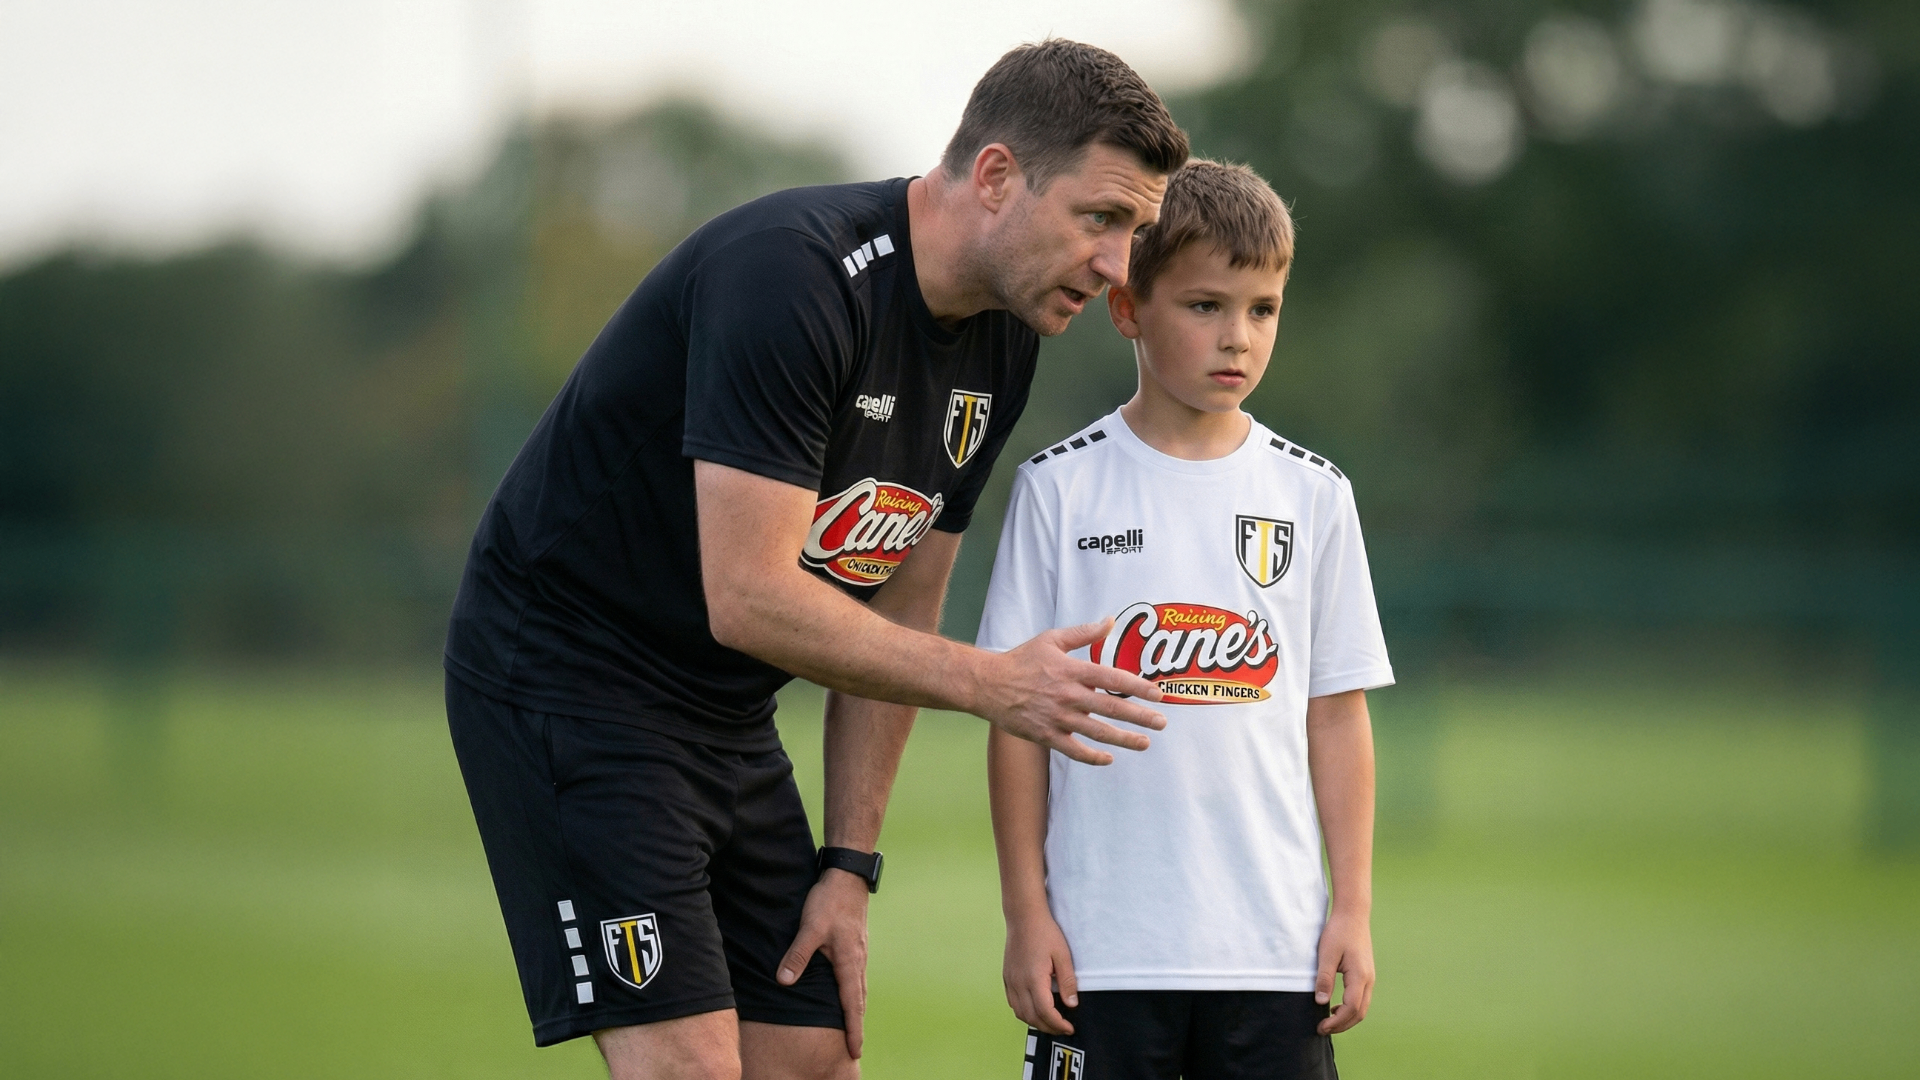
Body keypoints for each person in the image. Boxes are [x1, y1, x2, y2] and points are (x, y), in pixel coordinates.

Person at [442, 40, 1189, 1080]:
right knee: (693, 1068)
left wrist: (848, 867)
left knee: (811, 1055)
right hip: (571, 682)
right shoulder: (792, 276)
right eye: (1101, 220)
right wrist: (996, 683)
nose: (1119, 267)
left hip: (725, 713)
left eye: (1138, 232)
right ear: (997, 177)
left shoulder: (1004, 339)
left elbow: (903, 612)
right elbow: (749, 595)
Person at [979, 160, 1394, 1080]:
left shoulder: (1315, 495)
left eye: (1263, 308)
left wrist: (1352, 909)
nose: (1237, 337)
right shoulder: (1059, 488)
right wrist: (1027, 912)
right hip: (1103, 952)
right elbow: (1017, 725)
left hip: (1273, 953)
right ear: (1128, 308)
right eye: (1205, 306)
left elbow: (1336, 715)